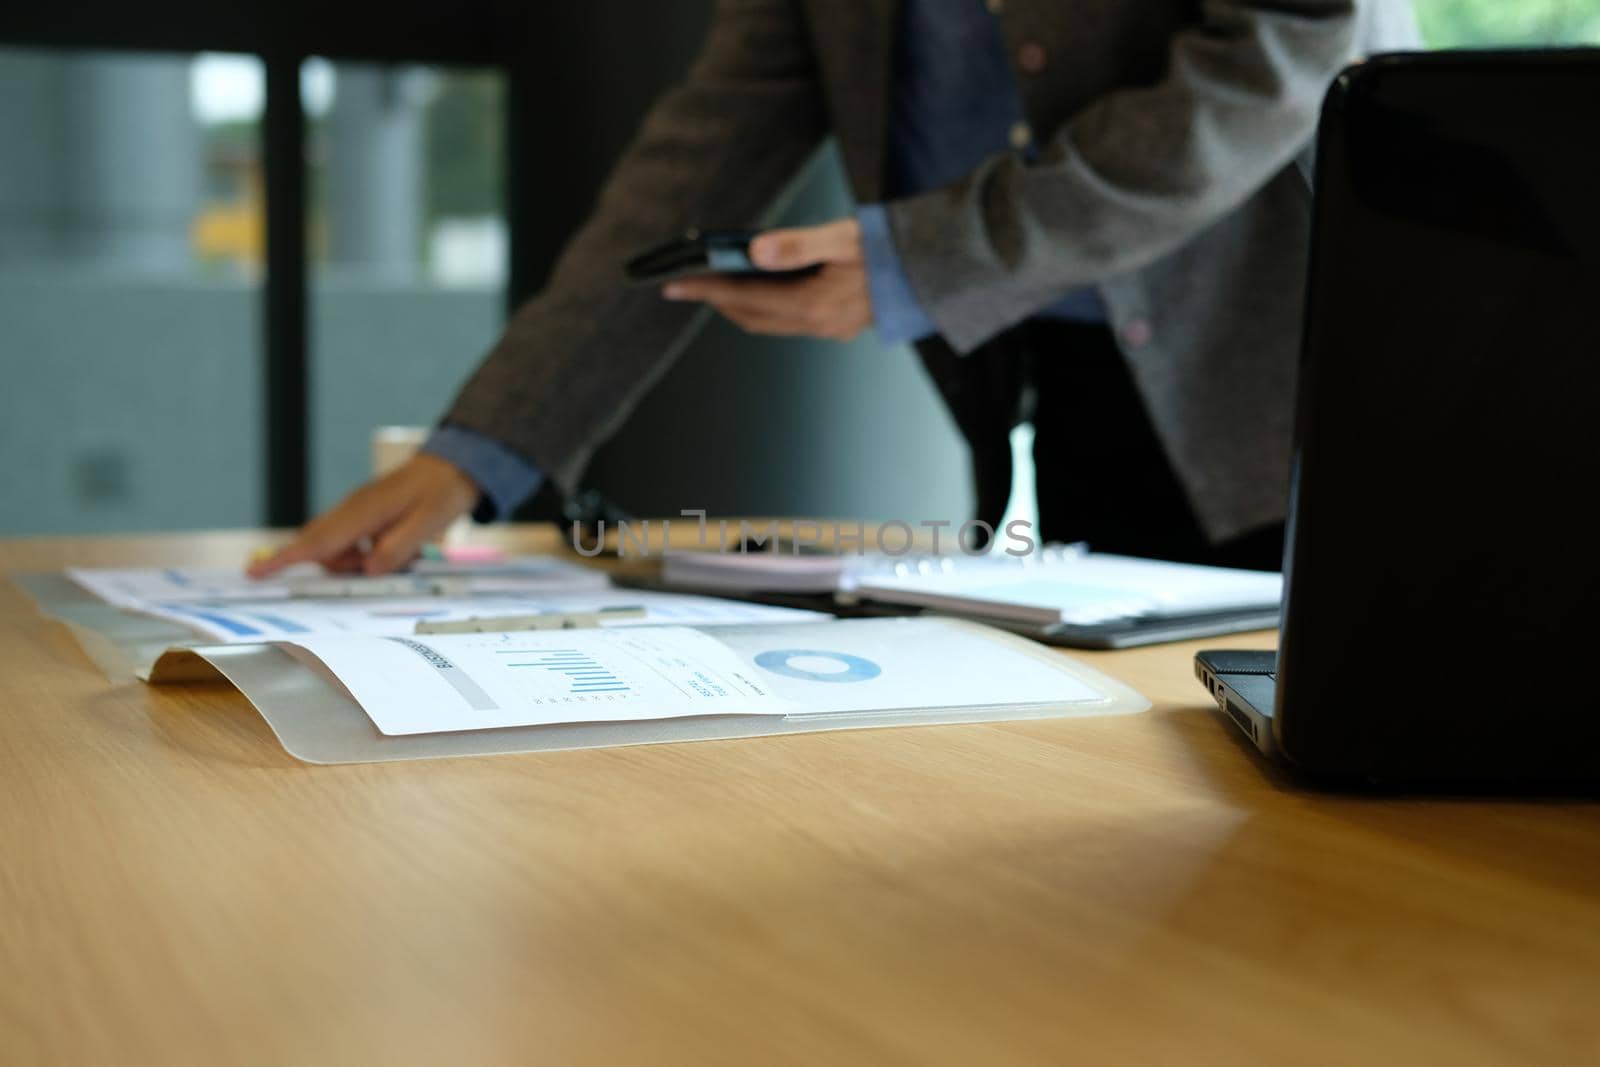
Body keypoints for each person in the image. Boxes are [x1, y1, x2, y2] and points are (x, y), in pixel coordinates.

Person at [252, 0, 1418, 580]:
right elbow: (689, 167)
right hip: (1056, 374)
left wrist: (929, 257)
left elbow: (1278, 56)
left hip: (1307, 354)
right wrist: (475, 451)